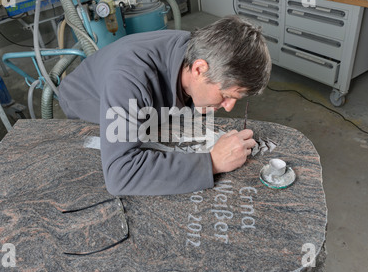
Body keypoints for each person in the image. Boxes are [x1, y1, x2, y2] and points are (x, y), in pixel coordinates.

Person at [58, 15, 272, 196]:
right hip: (87, 108)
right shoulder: (128, 80)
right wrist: (212, 162)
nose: (228, 107)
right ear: (199, 69)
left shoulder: (196, 50)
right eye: (225, 95)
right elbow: (120, 175)